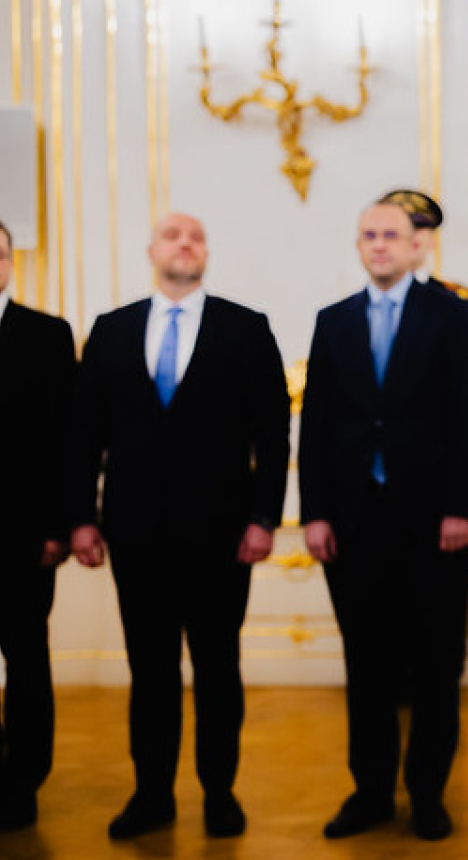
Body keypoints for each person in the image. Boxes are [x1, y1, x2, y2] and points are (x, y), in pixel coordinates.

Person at [68, 213, 291, 840]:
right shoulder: (110, 331)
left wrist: (264, 518)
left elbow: (273, 434)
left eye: (195, 236)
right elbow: (83, 436)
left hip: (223, 538)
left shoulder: (246, 329)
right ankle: (152, 795)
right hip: (135, 536)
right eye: (173, 235)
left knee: (219, 670)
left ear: (207, 253)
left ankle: (220, 793)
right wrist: (80, 519)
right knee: (152, 672)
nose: (184, 244)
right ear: (152, 251)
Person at [298, 200, 468, 842]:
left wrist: (462, 506)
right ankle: (372, 790)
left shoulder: (450, 315)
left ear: (418, 247)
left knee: (436, 664)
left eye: (391, 235)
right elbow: (317, 425)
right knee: (368, 664)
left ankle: (429, 793)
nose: (378, 245)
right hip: (354, 525)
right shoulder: (334, 321)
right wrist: (316, 513)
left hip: (436, 523)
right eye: (368, 236)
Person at [0, 220, 75, 831]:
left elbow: (66, 442)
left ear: (10, 262)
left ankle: (22, 782)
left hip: (23, 536)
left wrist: (61, 526)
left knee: (26, 661)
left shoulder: (47, 335)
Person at [377, 188, 468, 337]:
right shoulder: (359, 305)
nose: (408, 236)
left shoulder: (458, 300)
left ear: (433, 241)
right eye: (396, 230)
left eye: (417, 228)